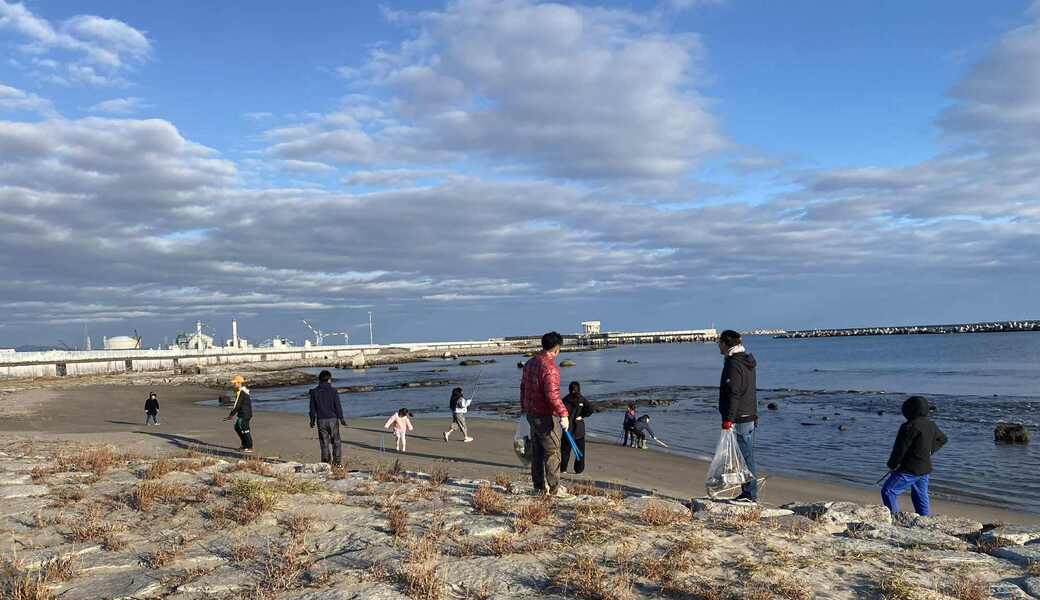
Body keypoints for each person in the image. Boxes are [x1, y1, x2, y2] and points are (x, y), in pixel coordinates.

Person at [520, 331, 571, 498]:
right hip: (545, 416)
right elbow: (552, 396)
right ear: (556, 349)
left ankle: (539, 487)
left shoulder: (530, 362)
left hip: (531, 413)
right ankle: (555, 489)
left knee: (537, 452)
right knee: (552, 452)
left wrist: (524, 407)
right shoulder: (550, 368)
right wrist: (563, 414)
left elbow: (523, 387)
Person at [881, 396, 947, 516]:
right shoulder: (930, 424)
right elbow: (942, 439)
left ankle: (895, 518)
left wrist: (892, 464)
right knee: (920, 495)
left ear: (908, 411)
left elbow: (900, 449)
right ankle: (924, 520)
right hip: (925, 468)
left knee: (888, 491)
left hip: (909, 469)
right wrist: (930, 451)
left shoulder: (908, 426)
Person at [718, 329, 758, 504]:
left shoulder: (734, 363)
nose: (718, 346)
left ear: (726, 344)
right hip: (748, 413)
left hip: (740, 416)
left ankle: (749, 494)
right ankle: (748, 492)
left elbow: (734, 392)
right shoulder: (746, 361)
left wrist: (729, 418)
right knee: (746, 455)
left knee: (744, 456)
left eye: (719, 342)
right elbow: (749, 390)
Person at [309, 370, 347, 466]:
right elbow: (337, 406)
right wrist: (341, 418)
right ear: (329, 379)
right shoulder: (333, 391)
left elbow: (312, 408)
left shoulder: (314, 392)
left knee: (324, 443)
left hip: (321, 420)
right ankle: (337, 463)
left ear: (319, 380)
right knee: (336, 441)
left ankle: (326, 463)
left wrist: (312, 420)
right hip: (333, 419)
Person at [560, 381, 594, 474]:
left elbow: (590, 410)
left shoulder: (565, 400)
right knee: (578, 450)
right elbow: (590, 410)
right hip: (575, 429)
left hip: (569, 428)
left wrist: (581, 416)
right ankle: (578, 470)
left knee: (565, 451)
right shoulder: (580, 399)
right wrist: (582, 416)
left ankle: (563, 469)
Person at [224, 375, 253, 453]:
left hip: (245, 414)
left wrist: (231, 415)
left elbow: (237, 405)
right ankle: (244, 445)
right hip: (244, 413)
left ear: (239, 383)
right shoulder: (243, 391)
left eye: (235, 383)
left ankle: (249, 447)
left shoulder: (241, 392)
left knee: (244, 429)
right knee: (237, 427)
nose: (233, 384)